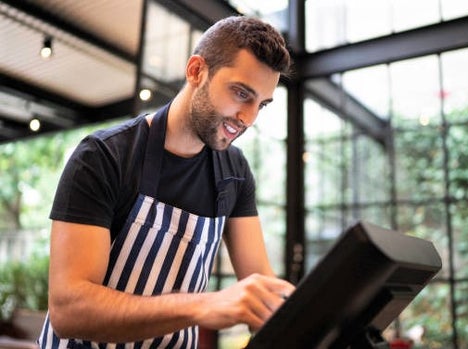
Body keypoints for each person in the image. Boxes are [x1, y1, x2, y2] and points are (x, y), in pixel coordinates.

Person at [38, 15, 295, 349]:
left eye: (262, 104)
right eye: (241, 93)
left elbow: (261, 283)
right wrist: (202, 305)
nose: (249, 118)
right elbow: (69, 311)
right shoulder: (105, 156)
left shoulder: (235, 171)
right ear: (196, 71)